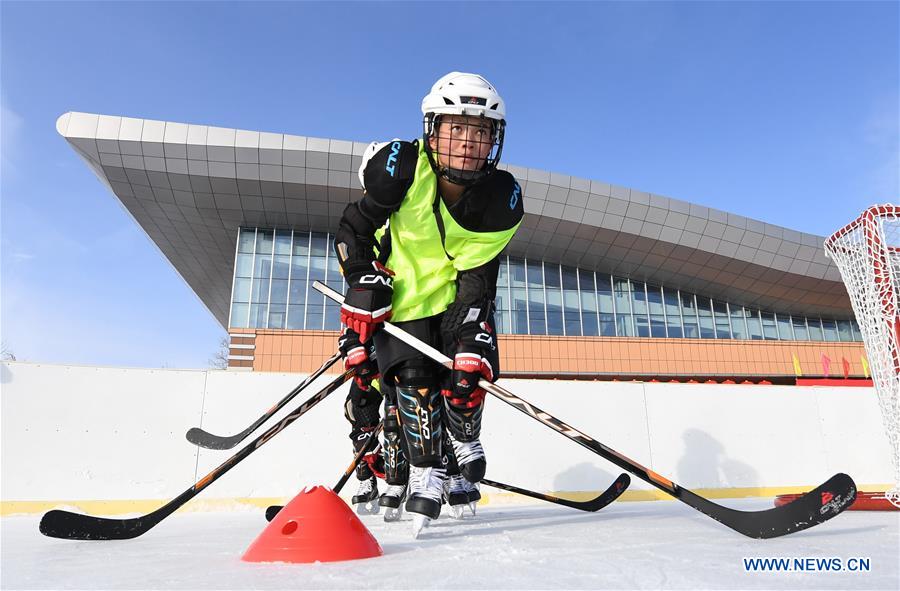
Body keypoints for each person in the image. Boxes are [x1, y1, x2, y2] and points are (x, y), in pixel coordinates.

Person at [334, 71, 523, 535]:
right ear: (432, 129)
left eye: (478, 132)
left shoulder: (501, 196)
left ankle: (463, 433)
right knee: (412, 384)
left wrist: (474, 320)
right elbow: (354, 230)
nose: (466, 143)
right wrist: (361, 277)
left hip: (459, 296)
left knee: (467, 374)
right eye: (456, 129)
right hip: (405, 302)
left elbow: (481, 270)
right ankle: (424, 469)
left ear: (492, 140)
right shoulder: (400, 168)